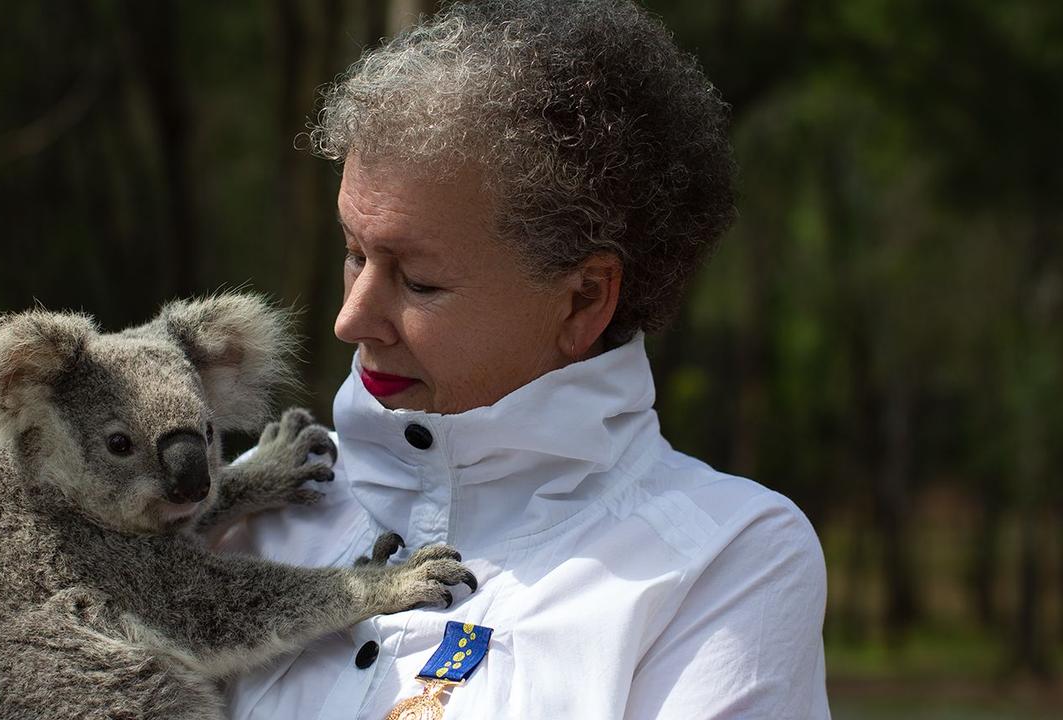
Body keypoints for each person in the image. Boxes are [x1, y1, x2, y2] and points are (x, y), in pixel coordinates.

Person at [223, 1, 830, 717]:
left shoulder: (722, 560)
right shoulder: (237, 509)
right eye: (355, 254)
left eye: (419, 280)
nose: (350, 319)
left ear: (582, 300)